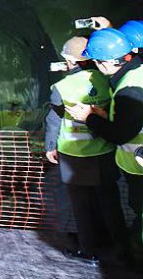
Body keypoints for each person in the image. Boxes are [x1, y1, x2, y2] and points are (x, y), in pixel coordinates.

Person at [44, 36, 126, 265]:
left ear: (70, 59)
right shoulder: (108, 79)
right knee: (110, 202)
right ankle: (122, 248)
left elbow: (53, 118)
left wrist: (50, 146)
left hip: (75, 154)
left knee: (81, 205)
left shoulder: (62, 87)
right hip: (105, 149)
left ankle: (89, 250)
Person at [67, 28, 143, 264]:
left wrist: (88, 117)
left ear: (105, 63)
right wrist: (104, 113)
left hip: (138, 166)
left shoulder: (128, 88)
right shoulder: (137, 72)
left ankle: (135, 259)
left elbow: (119, 134)